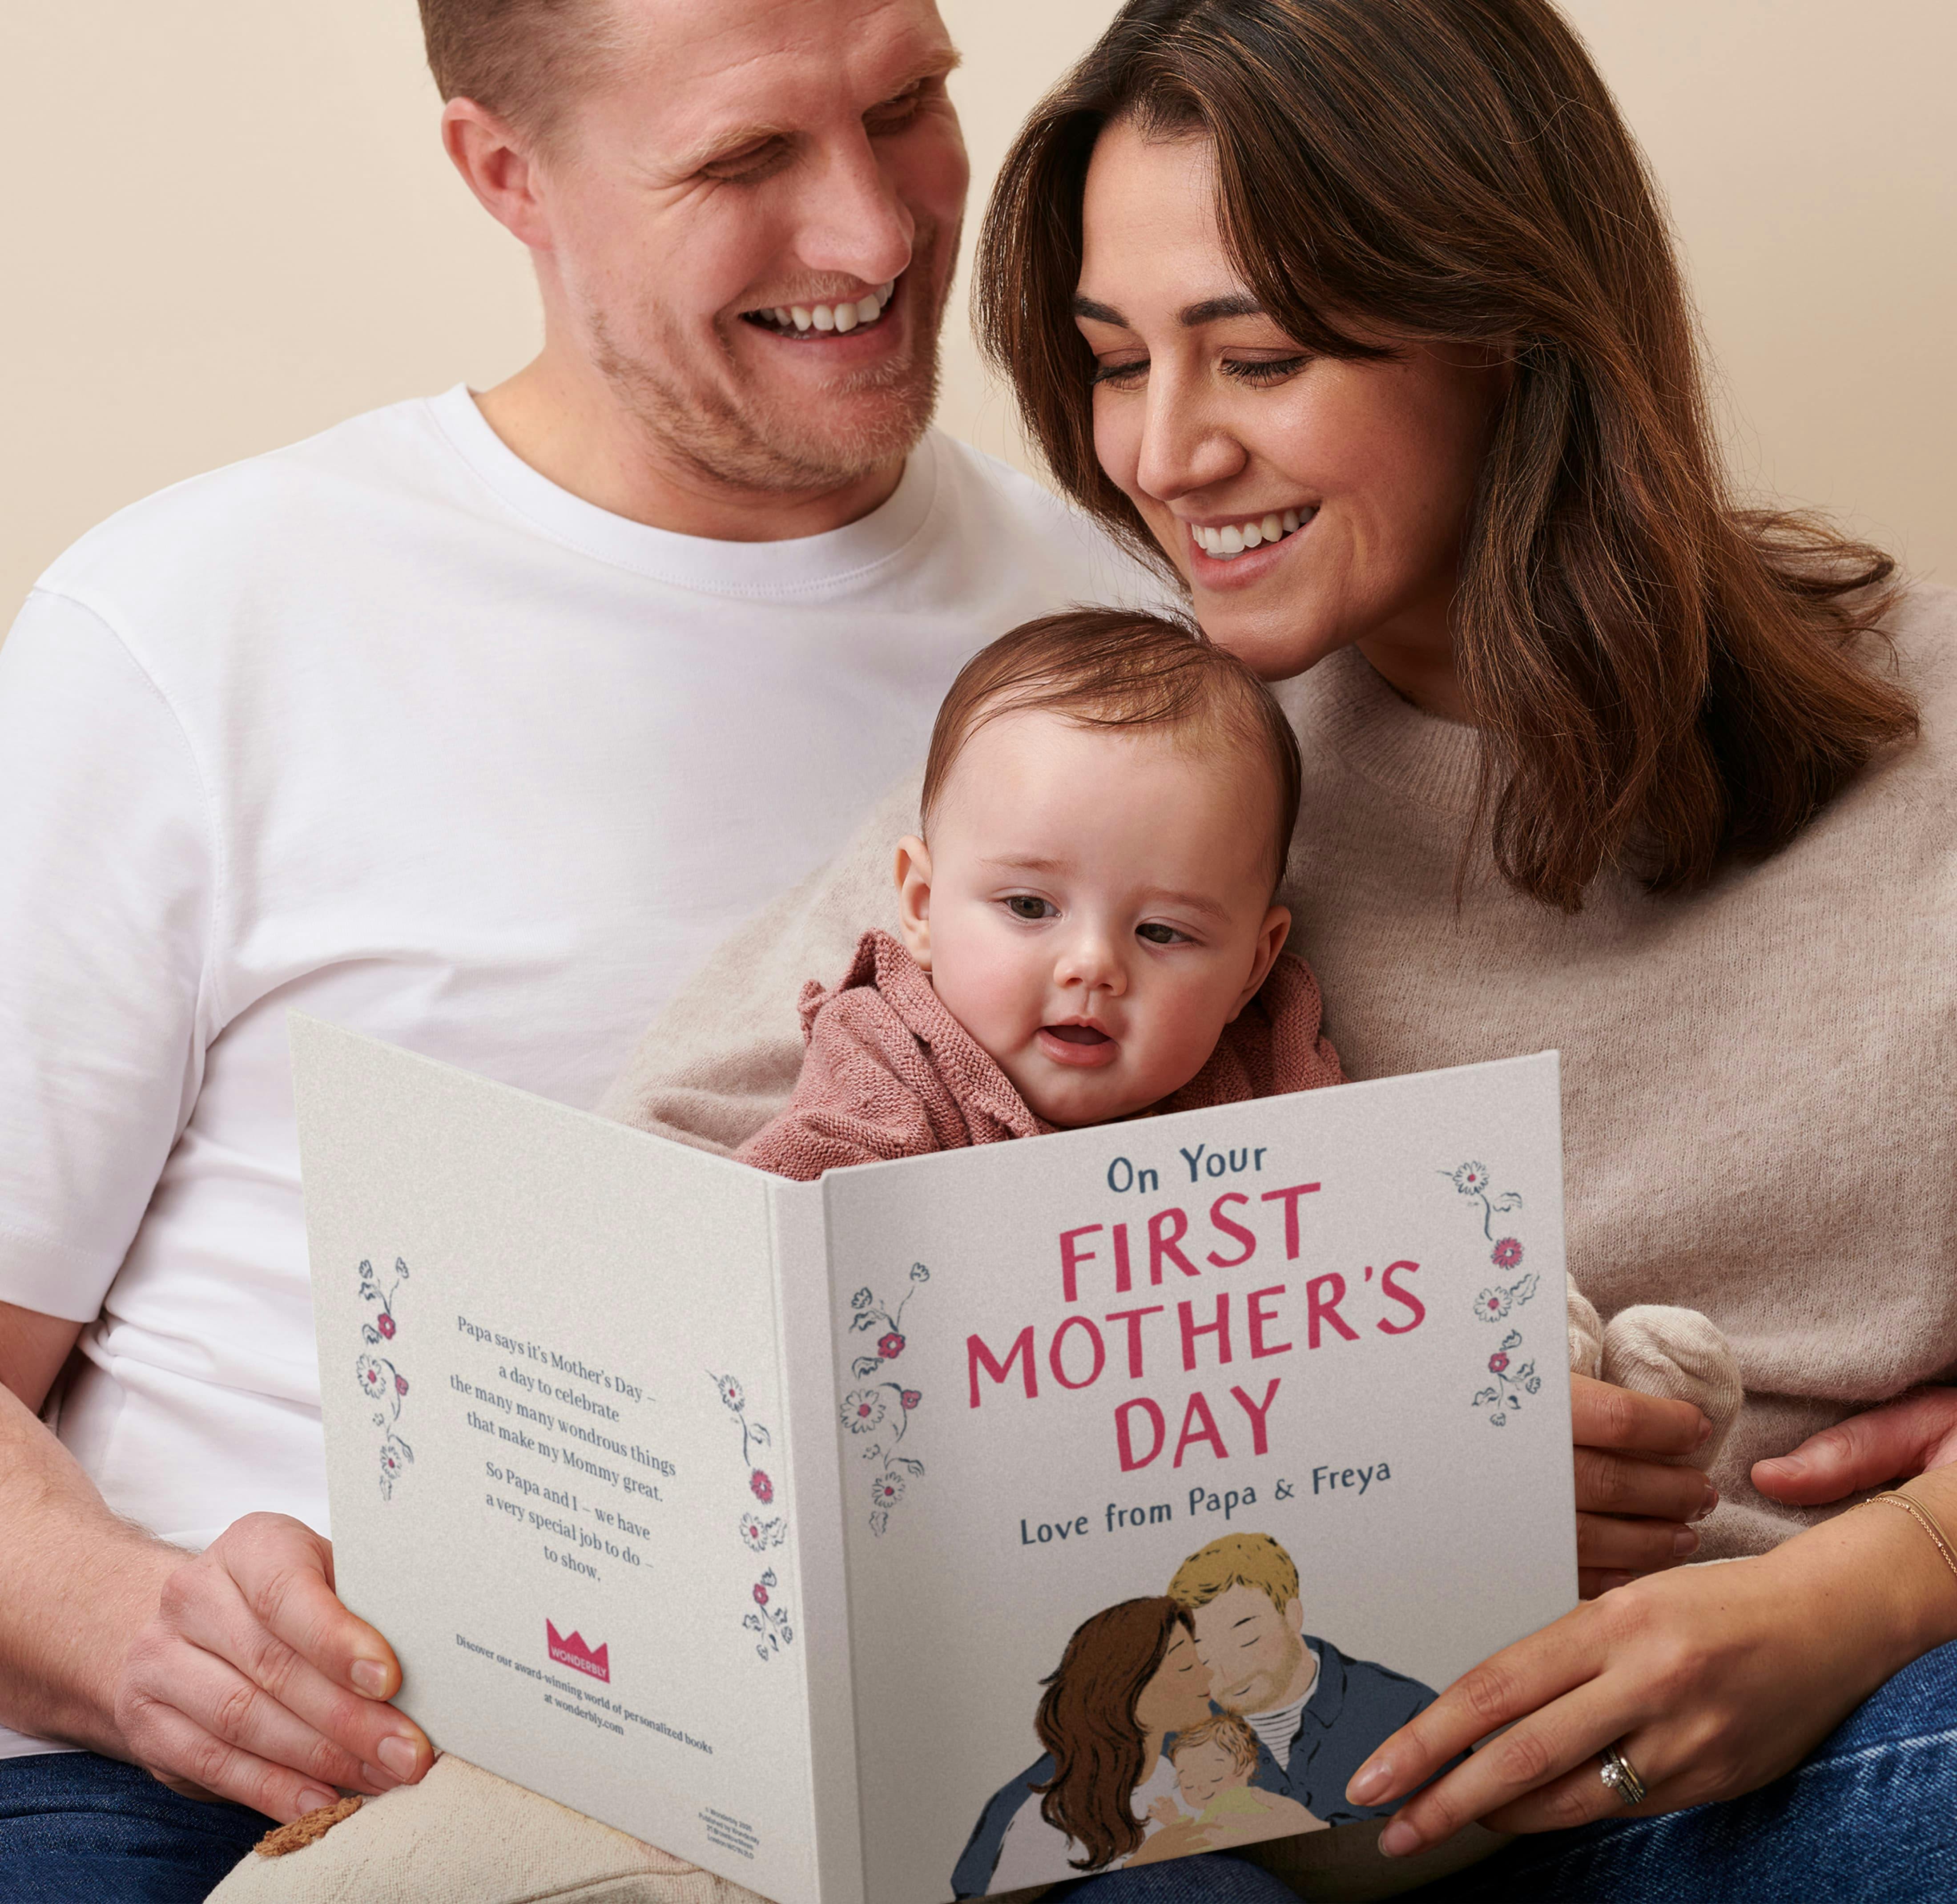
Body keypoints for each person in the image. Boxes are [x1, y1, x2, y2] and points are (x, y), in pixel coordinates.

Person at [603, 0, 1957, 1896]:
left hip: (1801, 1759)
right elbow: (633, 1285)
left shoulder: (1924, 744)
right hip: (1260, 1809)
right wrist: (1368, 1466)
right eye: (1107, 361)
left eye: (1254, 353)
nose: (1162, 452)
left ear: (1510, 331)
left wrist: (1871, 1581)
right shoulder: (1137, 776)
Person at [0, 0, 1159, 1893]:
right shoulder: (193, 627)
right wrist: (142, 1637)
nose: (874, 235)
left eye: (906, 106)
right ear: (503, 176)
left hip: (944, 1780)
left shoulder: (1125, 644)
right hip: (215, 1787)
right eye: (745, 160)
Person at [734, 609, 1341, 1178]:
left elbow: (1353, 1195)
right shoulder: (885, 1067)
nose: (1092, 967)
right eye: (1030, 907)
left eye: (1161, 931)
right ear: (922, 906)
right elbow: (784, 1211)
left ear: (1251, 969)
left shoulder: (1271, 1075)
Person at [954, 1536, 1418, 1896]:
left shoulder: (1397, 1704)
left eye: (1245, 1635)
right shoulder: (1169, 1713)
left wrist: (1310, 1830)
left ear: (1291, 1614)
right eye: (1199, 1653)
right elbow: (992, 1853)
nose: (1222, 1668)